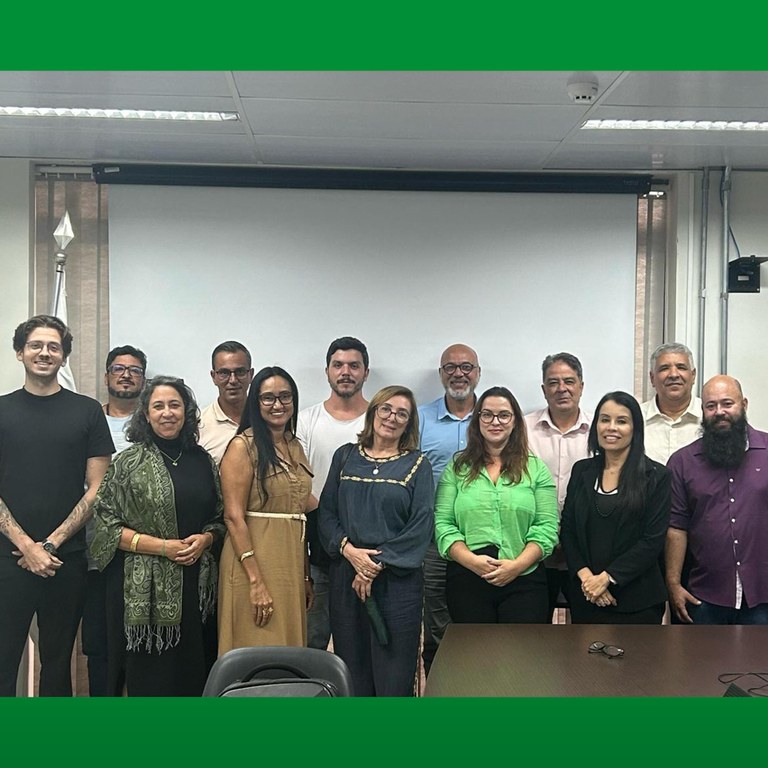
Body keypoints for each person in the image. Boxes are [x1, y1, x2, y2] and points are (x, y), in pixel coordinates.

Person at [0, 315, 114, 697]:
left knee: (58, 665)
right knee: (3, 662)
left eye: (53, 347)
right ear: (20, 352)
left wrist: (50, 545)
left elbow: (98, 488)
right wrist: (27, 546)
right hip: (5, 559)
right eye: (35, 345)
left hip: (66, 560)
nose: (44, 353)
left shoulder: (88, 411)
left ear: (64, 356)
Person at [90, 376, 224, 696]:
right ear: (146, 415)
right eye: (158, 406)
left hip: (196, 587)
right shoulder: (127, 463)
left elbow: (219, 518)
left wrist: (205, 540)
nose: (167, 413)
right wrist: (162, 548)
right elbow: (105, 526)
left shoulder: (203, 461)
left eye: (174, 405)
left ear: (186, 412)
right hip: (142, 596)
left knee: (194, 673)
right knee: (150, 678)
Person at [319, 385, 434, 696]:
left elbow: (421, 524)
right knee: (351, 671)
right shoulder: (345, 456)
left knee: (393, 676)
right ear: (373, 413)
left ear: (409, 423)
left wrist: (374, 565)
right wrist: (351, 552)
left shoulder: (418, 465)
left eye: (402, 414)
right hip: (346, 577)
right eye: (386, 409)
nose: (392, 418)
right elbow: (327, 513)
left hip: (396, 582)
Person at [435, 386, 558, 625]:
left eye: (504, 415)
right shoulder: (457, 468)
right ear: (477, 420)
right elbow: (443, 524)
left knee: (520, 649)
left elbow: (547, 527)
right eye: (487, 414)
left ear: (515, 422)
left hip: (524, 578)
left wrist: (517, 566)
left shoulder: (536, 469)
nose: (495, 422)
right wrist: (472, 561)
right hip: (467, 577)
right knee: (475, 649)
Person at [218, 366, 313, 653]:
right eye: (268, 398)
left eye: (285, 396)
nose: (278, 404)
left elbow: (299, 512)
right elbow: (233, 517)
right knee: (256, 647)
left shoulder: (294, 445)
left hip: (290, 564)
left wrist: (305, 575)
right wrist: (256, 581)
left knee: (288, 650)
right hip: (253, 561)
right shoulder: (242, 447)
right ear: (256, 403)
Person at [560, 391, 670, 624]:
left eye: (621, 421)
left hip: (637, 601)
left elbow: (652, 541)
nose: (611, 427)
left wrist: (606, 579)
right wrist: (588, 579)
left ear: (635, 429)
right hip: (586, 596)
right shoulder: (581, 471)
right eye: (604, 419)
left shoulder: (656, 476)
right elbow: (568, 530)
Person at [666, 375, 768, 625]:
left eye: (727, 403)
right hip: (705, 597)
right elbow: (676, 528)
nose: (719, 412)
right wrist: (674, 584)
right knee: (703, 654)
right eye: (711, 406)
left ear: (744, 404)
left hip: (763, 596)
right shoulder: (682, 462)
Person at [296, 336, 369, 652]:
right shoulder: (305, 421)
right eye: (338, 365)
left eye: (354, 365)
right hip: (318, 544)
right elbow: (298, 481)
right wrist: (329, 520)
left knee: (361, 641)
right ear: (327, 371)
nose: (345, 372)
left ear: (366, 372)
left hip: (368, 546)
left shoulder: (379, 420)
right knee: (313, 638)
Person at [83, 345, 147, 696]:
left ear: (144, 379)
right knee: (100, 645)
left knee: (142, 646)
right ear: (107, 375)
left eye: (134, 370)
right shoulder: (89, 419)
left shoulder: (155, 422)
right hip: (96, 553)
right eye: (119, 368)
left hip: (146, 554)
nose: (126, 375)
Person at [418, 343, 480, 674]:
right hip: (434, 543)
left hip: (483, 539)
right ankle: (442, 690)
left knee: (478, 623)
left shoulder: (493, 416)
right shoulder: (420, 418)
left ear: (478, 373)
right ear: (441, 374)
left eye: (466, 367)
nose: (459, 374)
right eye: (450, 368)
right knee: (438, 625)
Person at [524, 352, 591, 620]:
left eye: (569, 381)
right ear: (543, 390)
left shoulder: (599, 429)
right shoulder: (523, 429)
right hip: (533, 551)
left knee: (586, 631)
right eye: (553, 382)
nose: (561, 388)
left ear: (581, 386)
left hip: (585, 553)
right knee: (534, 630)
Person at [640, 342, 702, 465]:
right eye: (664, 368)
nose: (673, 375)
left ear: (693, 375)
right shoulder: (635, 418)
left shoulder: (710, 416)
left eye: (681, 367)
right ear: (652, 378)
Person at [199, 341, 254, 465]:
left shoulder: (267, 418)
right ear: (213, 377)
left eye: (240, 372)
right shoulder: (199, 426)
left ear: (250, 375)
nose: (233, 380)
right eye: (224, 373)